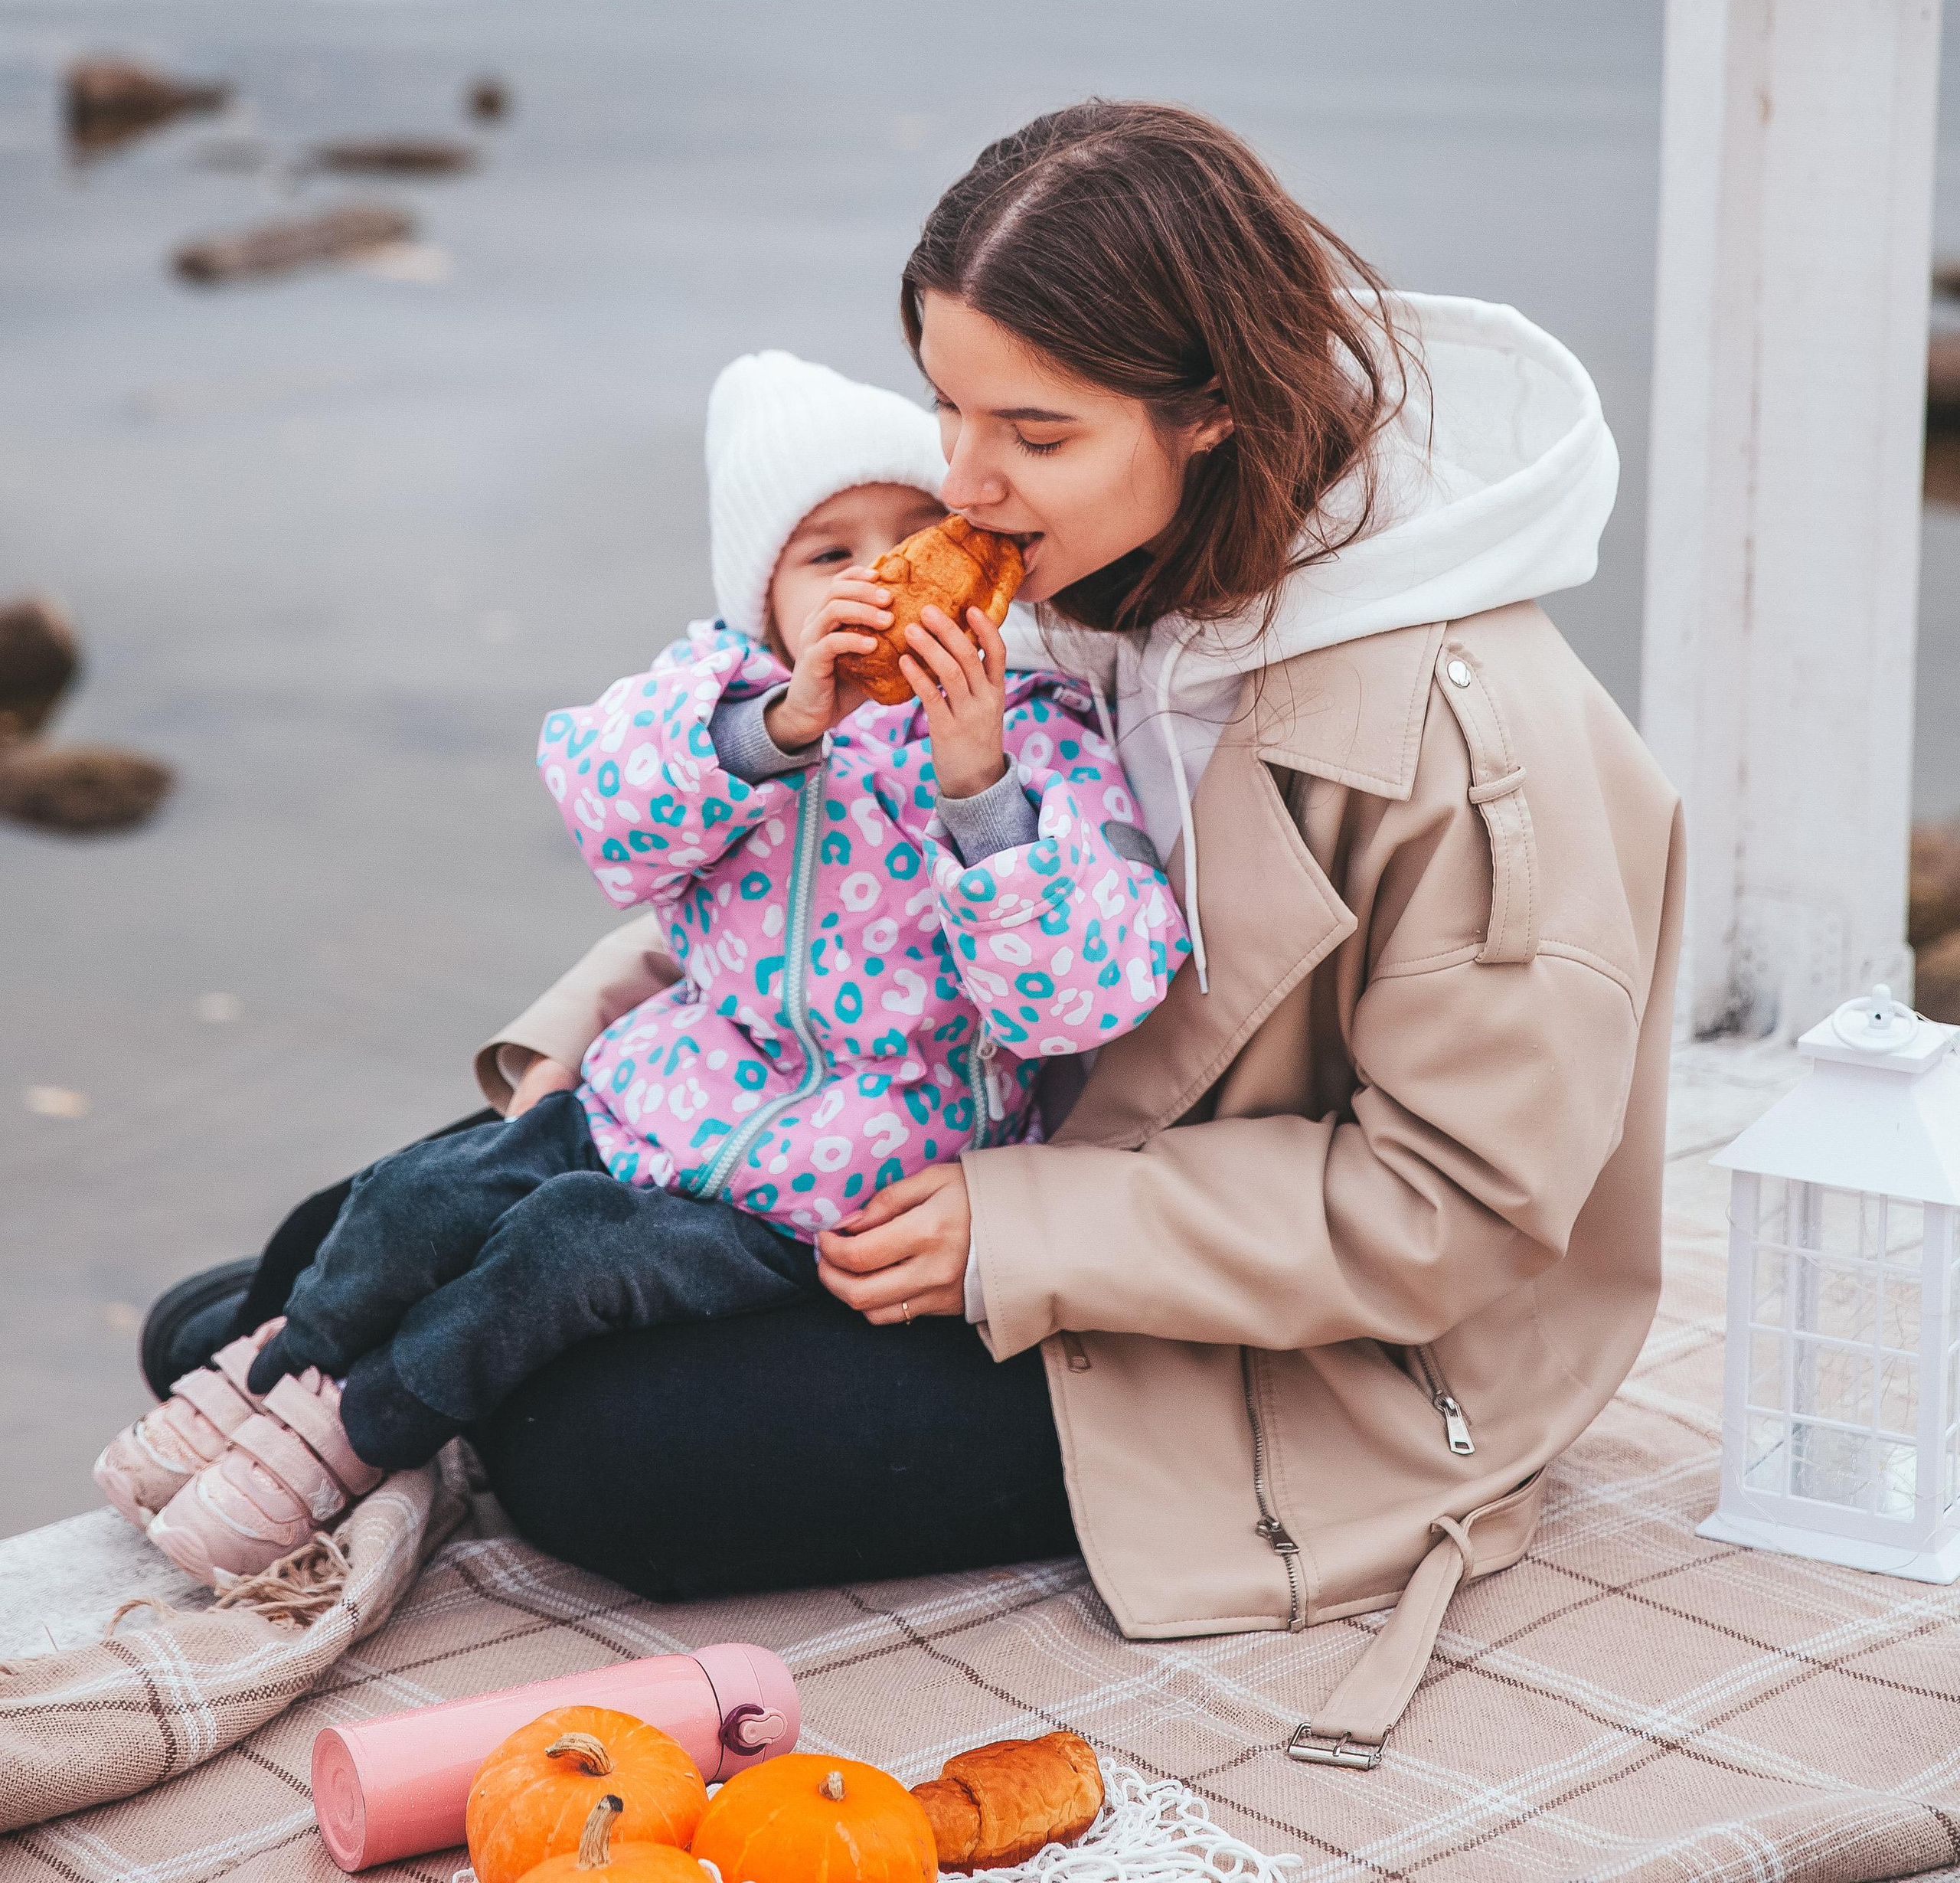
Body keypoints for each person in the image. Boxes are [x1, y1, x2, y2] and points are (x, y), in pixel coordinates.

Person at [142, 101, 1681, 1764]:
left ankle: (398, 1411)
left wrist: (1019, 1230)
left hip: (1279, 1333)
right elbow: (810, 893)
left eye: (1032, 429)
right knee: (302, 1260)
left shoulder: (1477, 739)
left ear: (1213, 410)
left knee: (607, 1457)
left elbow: (1458, 1209)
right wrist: (584, 1063)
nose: (960, 482)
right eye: (948, 405)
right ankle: (386, 1390)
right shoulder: (1085, 566)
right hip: (888, 1128)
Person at [101, 348, 1182, 1587]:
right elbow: (604, 812)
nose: (881, 578)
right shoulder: (722, 701)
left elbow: (1082, 996)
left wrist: (978, 783)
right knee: (411, 1196)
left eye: (914, 534)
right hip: (654, 1104)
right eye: (829, 555)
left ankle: (353, 1436)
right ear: (759, 601)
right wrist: (779, 727)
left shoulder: (1036, 735)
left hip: (837, 1190)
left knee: (561, 1254)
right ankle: (264, 1385)